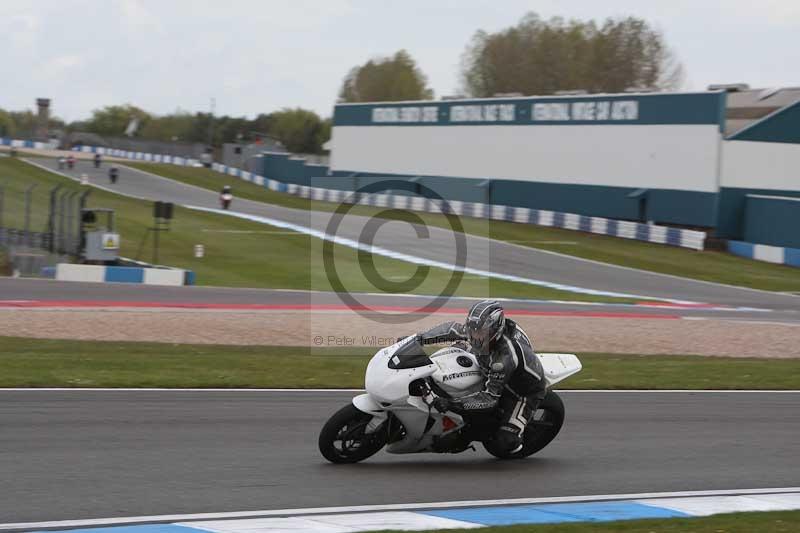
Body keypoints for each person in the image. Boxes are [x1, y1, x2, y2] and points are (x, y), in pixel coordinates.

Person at [417, 299, 547, 454]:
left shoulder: (503, 359)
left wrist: (450, 404)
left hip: (522, 392)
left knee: (506, 442)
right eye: (472, 330)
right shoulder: (479, 331)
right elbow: (450, 329)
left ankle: (482, 435)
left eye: (480, 333)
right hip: (490, 367)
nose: (474, 336)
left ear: (495, 330)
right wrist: (419, 339)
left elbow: (489, 399)